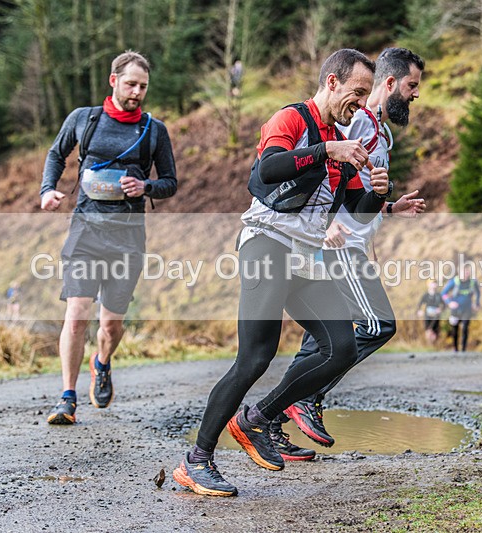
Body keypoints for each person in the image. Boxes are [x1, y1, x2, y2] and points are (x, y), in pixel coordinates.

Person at [173, 49, 388, 497]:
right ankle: (196, 461)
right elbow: (268, 170)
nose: (362, 103)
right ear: (332, 82)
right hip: (267, 244)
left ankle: (258, 418)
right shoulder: (291, 119)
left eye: (367, 95)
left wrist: (379, 196)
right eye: (357, 92)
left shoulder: (343, 141)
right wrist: (327, 149)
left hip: (306, 257)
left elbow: (356, 213)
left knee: (341, 346)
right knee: (254, 357)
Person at [277, 48, 426, 450]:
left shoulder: (377, 125)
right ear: (390, 83)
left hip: (350, 239)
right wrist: (324, 226)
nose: (415, 95)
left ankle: (270, 420)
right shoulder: (356, 118)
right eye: (412, 85)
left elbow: (355, 187)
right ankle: (303, 398)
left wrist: (389, 207)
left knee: (321, 341)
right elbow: (323, 171)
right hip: (338, 244)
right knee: (377, 325)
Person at [39, 50, 177, 425]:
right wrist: (47, 189)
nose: (137, 92)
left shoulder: (154, 129)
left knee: (110, 326)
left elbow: (170, 183)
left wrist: (145, 185)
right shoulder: (85, 120)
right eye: (131, 84)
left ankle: (102, 362)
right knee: (76, 314)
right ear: (113, 80)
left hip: (128, 238)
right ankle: (67, 397)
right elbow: (57, 153)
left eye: (143, 86)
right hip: (85, 230)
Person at [441, 264, 481, 352]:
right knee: (455, 328)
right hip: (455, 310)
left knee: (465, 327)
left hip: (467, 309)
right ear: (459, 273)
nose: (466, 274)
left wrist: (477, 304)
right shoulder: (454, 282)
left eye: (467, 272)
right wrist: (449, 303)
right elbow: (443, 293)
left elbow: (478, 293)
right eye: (464, 272)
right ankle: (455, 348)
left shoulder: (472, 282)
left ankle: (463, 349)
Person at [417, 279, 444, 343]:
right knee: (428, 330)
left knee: (435, 332)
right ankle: (429, 345)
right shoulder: (425, 295)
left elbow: (444, 305)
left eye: (435, 283)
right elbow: (420, 304)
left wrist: (440, 309)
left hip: (436, 317)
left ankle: (434, 346)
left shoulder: (438, 295)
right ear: (428, 285)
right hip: (427, 316)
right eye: (432, 283)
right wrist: (419, 311)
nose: (434, 285)